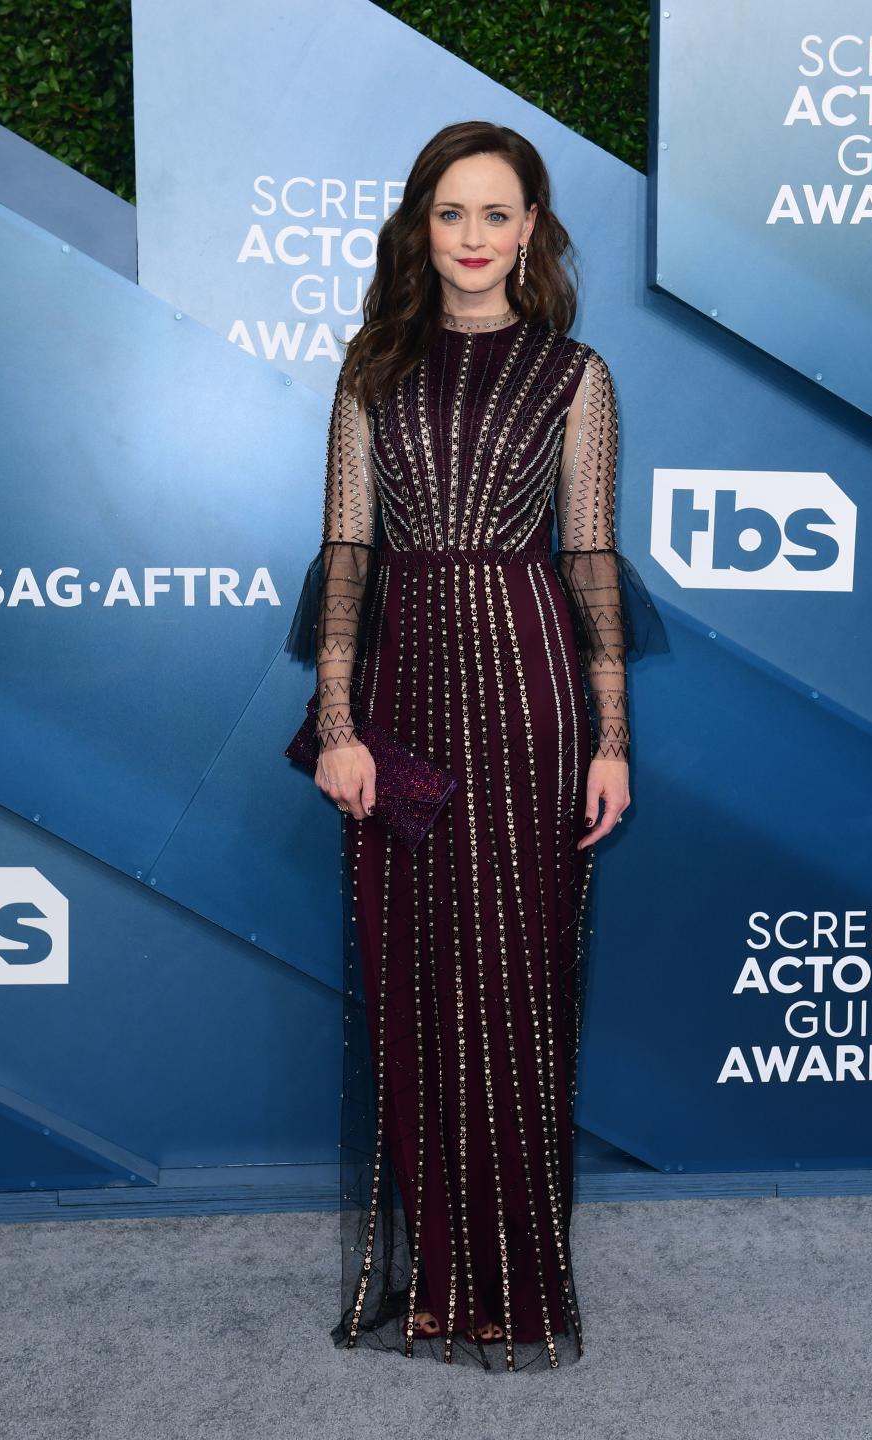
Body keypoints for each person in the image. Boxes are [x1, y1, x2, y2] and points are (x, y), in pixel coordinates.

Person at [284, 119, 669, 1374]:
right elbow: (348, 558)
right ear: (420, 227)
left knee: (517, 986)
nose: (473, 238)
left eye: (497, 215)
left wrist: (612, 738)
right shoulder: (369, 371)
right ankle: (443, 1283)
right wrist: (338, 725)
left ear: (532, 231)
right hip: (403, 696)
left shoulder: (577, 375)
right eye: (452, 213)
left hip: (530, 691)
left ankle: (518, 1284)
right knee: (416, 979)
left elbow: (590, 560)